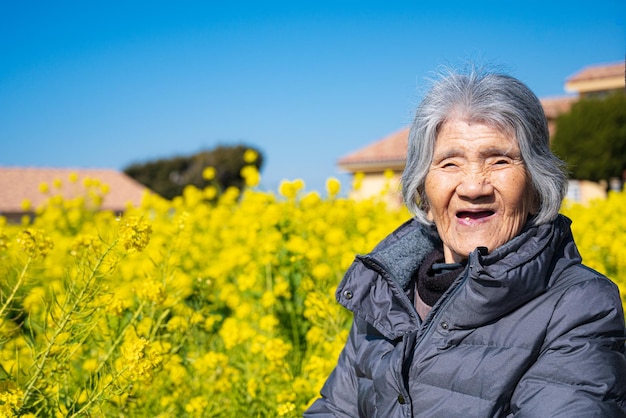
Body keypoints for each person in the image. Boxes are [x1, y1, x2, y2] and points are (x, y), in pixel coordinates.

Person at [304, 66, 626, 417]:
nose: (474, 187)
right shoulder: (386, 292)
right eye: (449, 163)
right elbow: (335, 409)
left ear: (537, 189)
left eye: (499, 161)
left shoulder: (579, 306)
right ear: (423, 191)